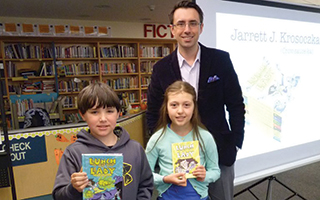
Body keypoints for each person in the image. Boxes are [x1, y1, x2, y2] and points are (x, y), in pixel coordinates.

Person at [146, 1, 245, 199]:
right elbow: (153, 112)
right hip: (175, 159)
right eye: (181, 24)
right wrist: (158, 146)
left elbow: (236, 104)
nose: (187, 29)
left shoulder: (220, 60)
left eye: (193, 23)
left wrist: (235, 142)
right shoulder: (161, 68)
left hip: (218, 152)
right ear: (172, 29)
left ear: (201, 27)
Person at [52, 82, 153, 200]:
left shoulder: (135, 149)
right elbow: (59, 195)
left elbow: (145, 185)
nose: (103, 119)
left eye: (109, 111)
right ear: (82, 115)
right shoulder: (74, 152)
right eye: (94, 112)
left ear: (118, 113)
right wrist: (73, 188)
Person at [146, 81, 220, 200]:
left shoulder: (205, 137)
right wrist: (165, 179)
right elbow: (145, 174)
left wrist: (205, 176)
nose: (180, 111)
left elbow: (215, 171)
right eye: (174, 105)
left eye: (186, 105)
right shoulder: (157, 139)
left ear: (194, 107)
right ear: (166, 108)